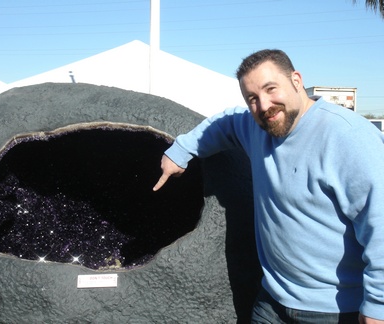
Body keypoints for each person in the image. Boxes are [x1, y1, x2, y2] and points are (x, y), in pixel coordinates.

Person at [153, 49, 384, 323]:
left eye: (271, 89)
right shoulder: (256, 128)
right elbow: (224, 123)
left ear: (296, 80)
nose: (264, 106)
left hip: (334, 309)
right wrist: (180, 151)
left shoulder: (349, 137)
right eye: (252, 98)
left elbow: (379, 223)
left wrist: (378, 305)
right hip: (273, 300)